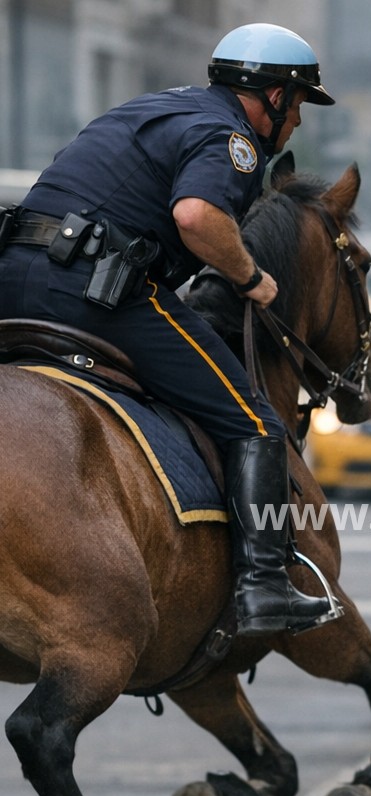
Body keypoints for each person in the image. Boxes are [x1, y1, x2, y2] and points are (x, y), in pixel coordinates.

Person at [0, 23, 337, 637]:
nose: (297, 125)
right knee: (255, 420)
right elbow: (196, 215)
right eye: (300, 107)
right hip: (94, 294)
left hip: (11, 279)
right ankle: (263, 588)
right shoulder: (231, 136)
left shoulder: (152, 107)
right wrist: (249, 276)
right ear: (274, 97)